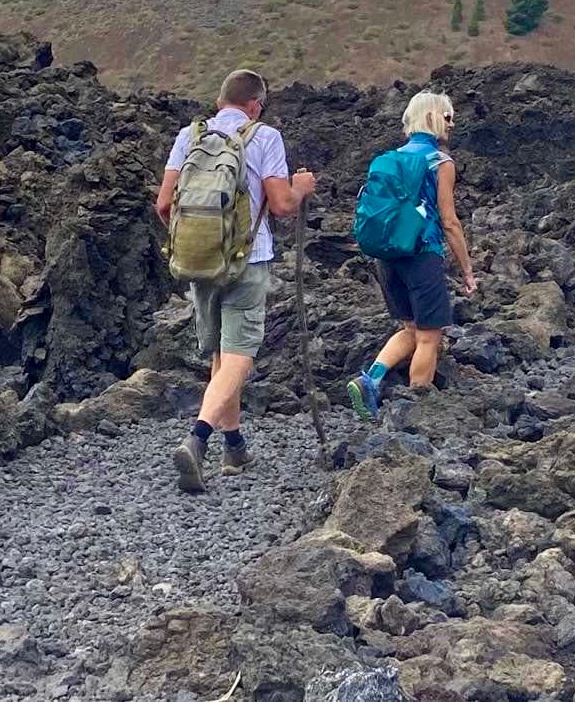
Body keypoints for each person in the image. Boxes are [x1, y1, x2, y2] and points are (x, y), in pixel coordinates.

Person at [155, 69, 316, 493]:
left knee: (222, 357)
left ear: (219, 100)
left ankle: (234, 447)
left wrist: (197, 241)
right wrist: (301, 187)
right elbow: (281, 204)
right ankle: (198, 438)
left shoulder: (189, 136)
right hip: (248, 259)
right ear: (255, 106)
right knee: (240, 356)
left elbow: (164, 204)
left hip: (199, 262)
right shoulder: (265, 137)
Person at [346, 91, 475, 420]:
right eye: (448, 117)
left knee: (411, 330)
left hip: (387, 256)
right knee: (430, 336)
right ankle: (418, 411)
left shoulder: (391, 158)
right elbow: (449, 221)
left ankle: (370, 380)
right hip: (422, 254)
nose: (452, 124)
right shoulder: (440, 162)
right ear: (433, 118)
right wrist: (467, 271)